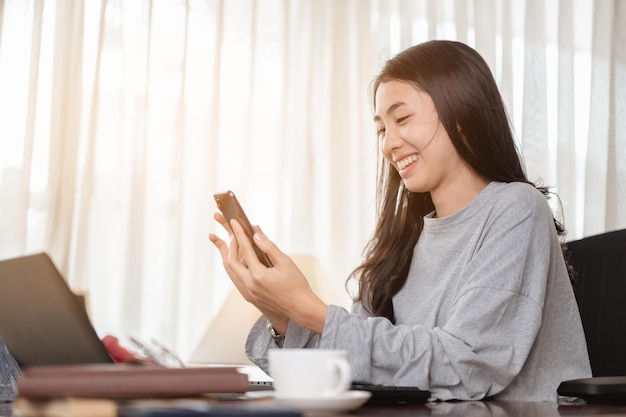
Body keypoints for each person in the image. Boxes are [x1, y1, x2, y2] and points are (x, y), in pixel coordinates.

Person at [209, 40, 591, 402]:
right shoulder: (401, 242)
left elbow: (469, 365)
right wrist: (282, 312)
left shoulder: (517, 209)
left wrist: (311, 309)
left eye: (402, 118)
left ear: (461, 114)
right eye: (381, 129)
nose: (388, 144)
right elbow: (354, 361)